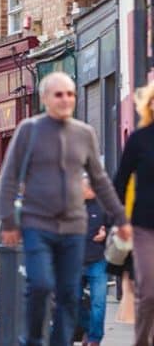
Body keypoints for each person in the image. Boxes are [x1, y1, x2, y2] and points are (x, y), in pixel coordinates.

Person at [0, 72, 130, 346]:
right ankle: (33, 339)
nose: (66, 99)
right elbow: (9, 177)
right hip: (37, 224)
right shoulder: (29, 130)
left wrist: (120, 218)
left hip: (73, 227)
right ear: (45, 98)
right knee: (42, 285)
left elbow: (100, 180)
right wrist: (9, 221)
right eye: (59, 94)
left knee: (69, 293)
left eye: (70, 94)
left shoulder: (84, 134)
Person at [115, 82, 154, 346]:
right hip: (144, 226)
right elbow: (119, 182)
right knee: (149, 291)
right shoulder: (139, 139)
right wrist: (119, 221)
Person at [78, 175, 113, 346]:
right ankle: (88, 328)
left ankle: (94, 339)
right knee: (72, 300)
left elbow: (114, 228)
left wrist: (105, 233)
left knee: (99, 303)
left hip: (98, 261)